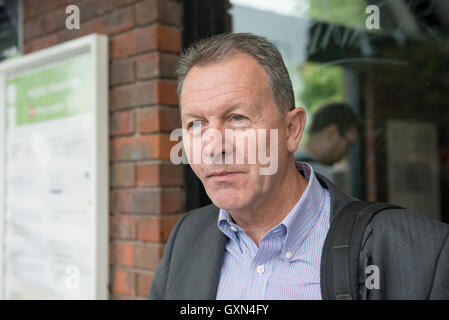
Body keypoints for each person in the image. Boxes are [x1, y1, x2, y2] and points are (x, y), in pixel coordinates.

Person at [149, 33, 449, 300]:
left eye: (237, 118)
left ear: (292, 129)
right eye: (196, 124)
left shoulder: (421, 253)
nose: (214, 148)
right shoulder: (186, 237)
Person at [295, 103, 361, 182]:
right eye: (348, 144)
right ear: (332, 133)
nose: (347, 154)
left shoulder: (284, 162)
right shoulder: (318, 175)